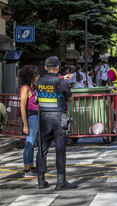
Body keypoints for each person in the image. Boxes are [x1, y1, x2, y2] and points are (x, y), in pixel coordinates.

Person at [36, 56, 77, 190]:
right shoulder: (61, 83)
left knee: (42, 150)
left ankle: (41, 181)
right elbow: (70, 98)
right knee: (60, 150)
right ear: (58, 68)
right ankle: (61, 182)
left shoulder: (39, 81)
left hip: (43, 119)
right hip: (59, 119)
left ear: (45, 67)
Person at [19, 65, 40, 178]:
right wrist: (25, 124)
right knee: (29, 142)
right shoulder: (25, 88)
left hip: (35, 116)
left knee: (32, 143)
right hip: (30, 117)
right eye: (36, 74)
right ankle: (27, 168)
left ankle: (31, 166)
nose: (38, 76)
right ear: (31, 76)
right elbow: (22, 107)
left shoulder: (33, 87)